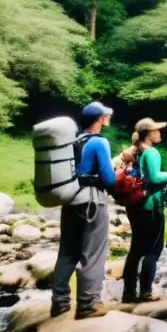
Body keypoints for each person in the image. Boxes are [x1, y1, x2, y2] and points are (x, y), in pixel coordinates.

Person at [51, 101, 116, 319]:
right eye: (105, 115)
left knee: (67, 252)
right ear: (100, 119)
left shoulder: (72, 141)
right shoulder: (99, 143)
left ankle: (59, 302)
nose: (107, 118)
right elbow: (108, 179)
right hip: (92, 203)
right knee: (93, 253)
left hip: (69, 200)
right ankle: (88, 304)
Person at [120, 117, 167, 304]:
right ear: (148, 134)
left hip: (134, 205)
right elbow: (155, 178)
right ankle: (146, 292)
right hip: (150, 205)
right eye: (156, 130)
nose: (159, 133)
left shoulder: (134, 152)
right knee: (153, 249)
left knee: (136, 249)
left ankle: (128, 293)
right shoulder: (152, 153)